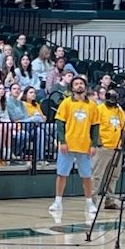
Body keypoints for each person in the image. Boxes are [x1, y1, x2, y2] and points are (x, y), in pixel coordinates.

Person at [51, 78, 98, 222]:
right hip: (68, 145)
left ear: (85, 87)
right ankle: (58, 201)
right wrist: (62, 141)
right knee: (62, 174)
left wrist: (94, 144)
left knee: (86, 176)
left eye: (81, 84)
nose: (79, 86)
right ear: (72, 87)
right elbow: (60, 123)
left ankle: (89, 202)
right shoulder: (66, 103)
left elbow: (95, 126)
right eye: (76, 84)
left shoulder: (92, 105)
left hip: (85, 145)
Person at [91, 90, 125, 209]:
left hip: (117, 148)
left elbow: (124, 127)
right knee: (97, 176)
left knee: (113, 176)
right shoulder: (99, 109)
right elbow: (94, 126)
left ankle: (110, 200)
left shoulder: (119, 110)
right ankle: (92, 202)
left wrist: (122, 143)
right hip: (103, 148)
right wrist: (98, 141)